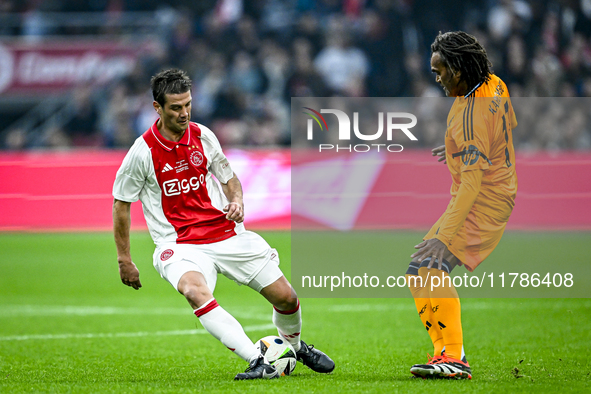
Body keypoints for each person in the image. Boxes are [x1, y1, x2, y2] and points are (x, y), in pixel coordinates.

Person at [112, 69, 335, 380]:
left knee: (287, 298)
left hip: (227, 234)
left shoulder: (203, 136)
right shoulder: (142, 152)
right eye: (175, 107)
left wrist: (237, 202)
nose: (184, 113)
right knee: (194, 290)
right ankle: (256, 359)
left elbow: (229, 178)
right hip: (179, 245)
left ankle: (294, 346)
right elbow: (121, 204)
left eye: (187, 104)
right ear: (157, 108)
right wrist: (125, 259)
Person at [405, 31, 517, 380]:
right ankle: (444, 352)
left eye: (440, 71)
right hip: (491, 189)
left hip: (484, 199)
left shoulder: (470, 116)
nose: (437, 79)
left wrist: (444, 236)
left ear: (459, 68)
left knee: (432, 265)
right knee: (417, 271)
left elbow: (470, 184)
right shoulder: (494, 84)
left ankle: (454, 358)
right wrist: (460, 148)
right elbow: (506, 124)